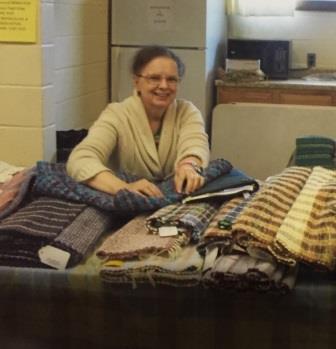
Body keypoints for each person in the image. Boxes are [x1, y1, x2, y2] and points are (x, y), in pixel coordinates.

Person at [66, 45, 209, 198]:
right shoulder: (117, 114)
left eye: (171, 79)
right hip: (125, 200)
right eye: (154, 78)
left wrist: (188, 166)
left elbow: (195, 144)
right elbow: (80, 159)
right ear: (136, 82)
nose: (164, 86)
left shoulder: (187, 112)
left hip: (174, 196)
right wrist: (124, 188)